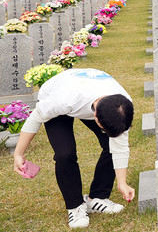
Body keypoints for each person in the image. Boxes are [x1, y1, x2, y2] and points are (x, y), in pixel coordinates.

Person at [12, 68, 136, 228]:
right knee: (65, 153)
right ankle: (75, 207)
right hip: (59, 93)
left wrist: (122, 183)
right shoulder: (63, 100)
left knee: (109, 144)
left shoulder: (122, 107)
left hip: (89, 91)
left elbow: (120, 147)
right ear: (95, 117)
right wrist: (18, 153)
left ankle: (97, 198)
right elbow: (35, 119)